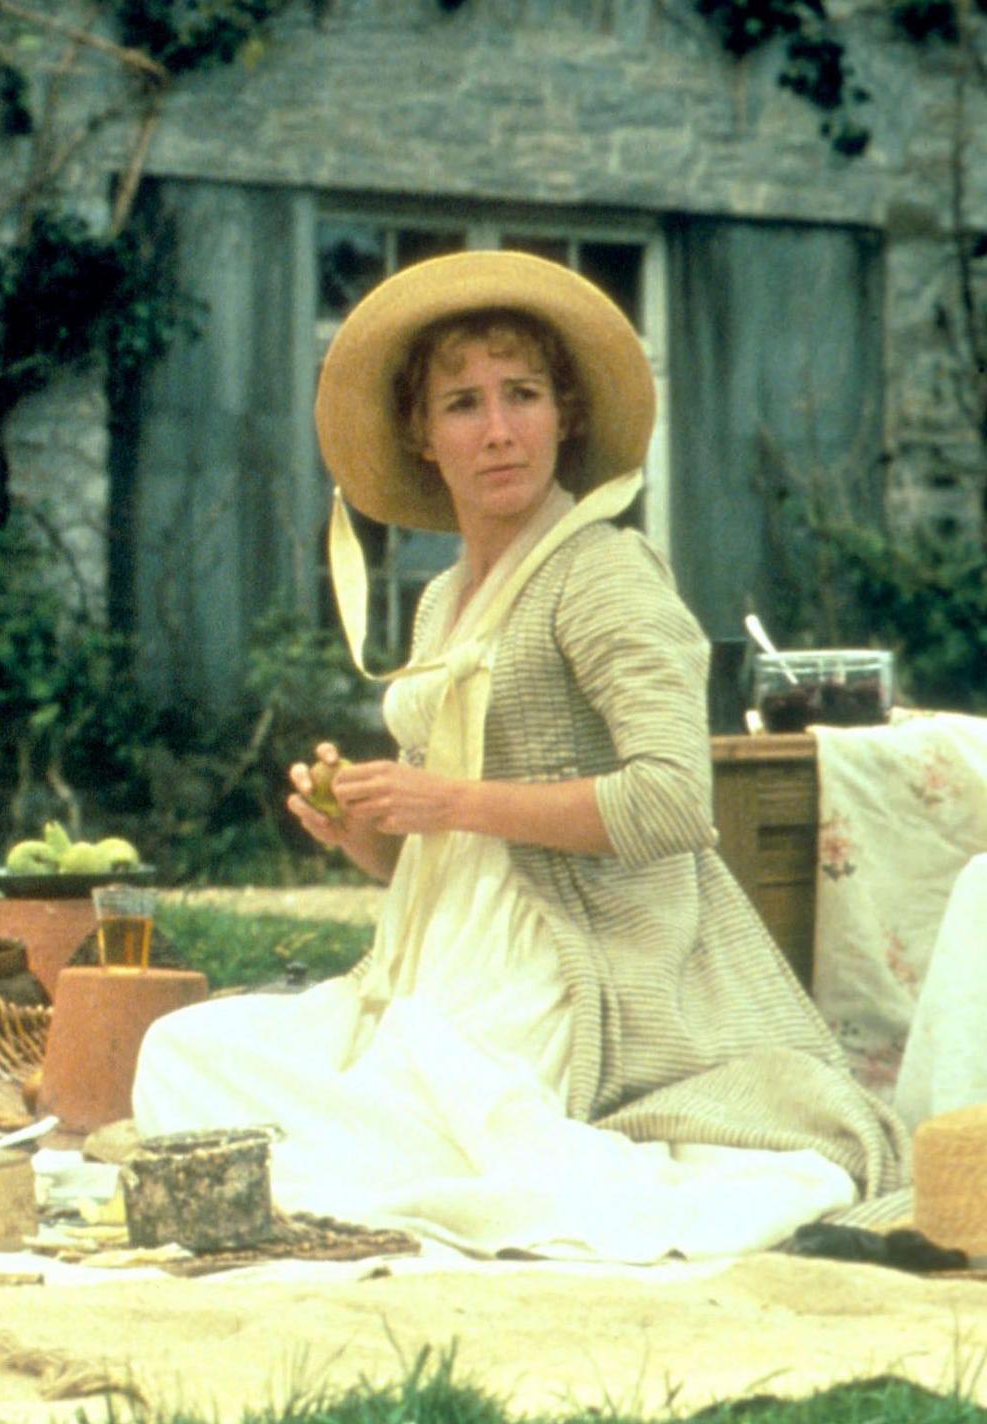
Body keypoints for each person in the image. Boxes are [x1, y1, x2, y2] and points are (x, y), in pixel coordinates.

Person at [131, 251, 908, 1260]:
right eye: (462, 404)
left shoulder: (601, 573)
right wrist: (360, 831)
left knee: (429, 1111)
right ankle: (414, 1151)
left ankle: (499, 1164)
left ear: (565, 414)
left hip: (567, 976)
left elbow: (673, 802)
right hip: (439, 966)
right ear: (421, 435)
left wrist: (450, 798)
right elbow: (442, 863)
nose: (497, 431)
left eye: (522, 396)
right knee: (182, 1049)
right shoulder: (438, 600)